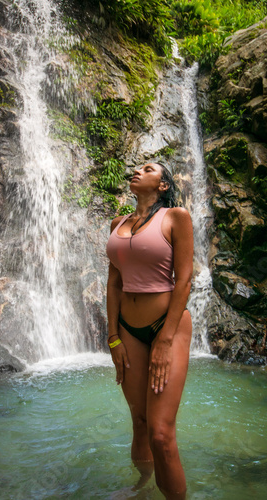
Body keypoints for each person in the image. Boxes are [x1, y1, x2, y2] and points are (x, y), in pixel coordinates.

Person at [106, 162, 194, 499]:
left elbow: (184, 279)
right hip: (127, 329)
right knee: (140, 423)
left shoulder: (176, 218)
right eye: (136, 167)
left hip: (166, 327)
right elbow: (113, 283)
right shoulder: (118, 224)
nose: (136, 171)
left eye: (148, 169)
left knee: (160, 434)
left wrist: (165, 339)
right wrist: (112, 336)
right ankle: (141, 488)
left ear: (163, 185)